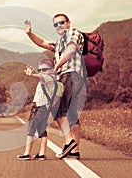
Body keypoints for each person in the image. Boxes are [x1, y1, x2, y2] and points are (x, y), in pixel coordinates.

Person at [24, 13, 87, 159]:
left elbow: (71, 50)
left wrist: (57, 66)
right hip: (71, 76)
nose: (59, 26)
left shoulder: (73, 33)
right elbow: (42, 43)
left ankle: (69, 141)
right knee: (70, 114)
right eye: (55, 24)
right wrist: (29, 33)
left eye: (61, 23)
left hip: (70, 74)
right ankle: (74, 150)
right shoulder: (59, 42)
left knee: (57, 108)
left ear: (68, 23)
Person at [17, 58, 62, 161]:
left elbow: (41, 77)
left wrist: (32, 75)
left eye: (44, 69)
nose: (42, 72)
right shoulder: (50, 78)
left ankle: (27, 153)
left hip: (40, 106)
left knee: (31, 129)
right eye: (40, 70)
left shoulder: (50, 78)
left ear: (51, 69)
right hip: (44, 107)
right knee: (42, 130)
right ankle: (42, 153)